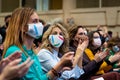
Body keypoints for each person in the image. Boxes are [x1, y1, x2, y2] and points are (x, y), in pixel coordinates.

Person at [2, 7, 74, 80]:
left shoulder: (32, 52)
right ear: (23, 27)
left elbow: (39, 77)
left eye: (39, 21)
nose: (40, 25)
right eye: (35, 21)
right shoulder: (15, 52)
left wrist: (60, 68)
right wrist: (60, 65)